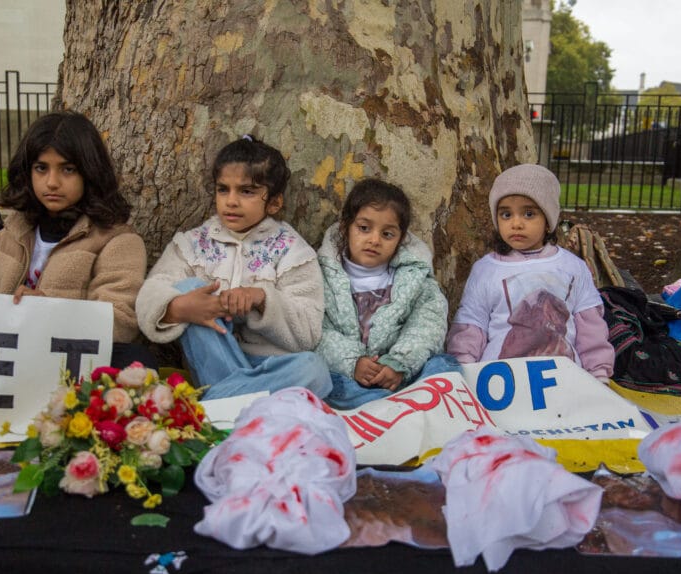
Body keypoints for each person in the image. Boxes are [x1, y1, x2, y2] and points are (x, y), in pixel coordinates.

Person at [135, 136, 330, 399]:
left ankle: (217, 405)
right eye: (223, 189)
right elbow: (150, 293)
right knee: (191, 288)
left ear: (274, 202)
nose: (231, 201)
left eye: (247, 191)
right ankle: (234, 401)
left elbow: (308, 333)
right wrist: (180, 307)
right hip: (212, 367)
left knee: (314, 369)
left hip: (271, 370)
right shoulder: (193, 244)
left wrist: (261, 298)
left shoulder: (292, 250)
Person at [0, 111, 155, 369]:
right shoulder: (9, 234)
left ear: (89, 173)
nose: (52, 182)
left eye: (68, 169)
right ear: (27, 172)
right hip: (6, 357)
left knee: (136, 361)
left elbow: (120, 322)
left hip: (70, 362)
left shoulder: (117, 240)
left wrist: (51, 312)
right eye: (41, 168)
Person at [447, 164, 613, 382]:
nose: (516, 223)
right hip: (501, 380)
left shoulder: (573, 267)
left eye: (528, 213)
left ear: (548, 220)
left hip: (565, 379)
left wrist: (598, 373)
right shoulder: (486, 269)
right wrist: (464, 370)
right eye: (506, 214)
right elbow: (472, 323)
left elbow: (590, 326)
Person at [316, 178, 459, 409]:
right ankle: (382, 408)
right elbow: (316, 331)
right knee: (316, 375)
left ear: (400, 239)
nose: (374, 240)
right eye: (364, 228)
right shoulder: (322, 277)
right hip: (347, 378)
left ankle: (394, 406)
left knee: (445, 366)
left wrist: (399, 364)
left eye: (387, 234)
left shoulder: (415, 278)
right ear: (345, 228)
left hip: (402, 378)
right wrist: (352, 362)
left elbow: (428, 325)